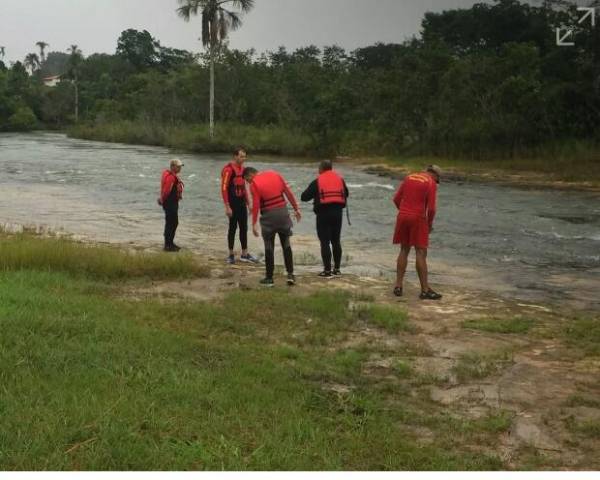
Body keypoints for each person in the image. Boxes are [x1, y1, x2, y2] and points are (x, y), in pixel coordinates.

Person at [243, 167, 302, 287]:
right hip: (283, 214)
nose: (248, 183)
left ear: (250, 175)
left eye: (247, 180)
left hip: (268, 218)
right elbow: (288, 193)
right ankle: (290, 275)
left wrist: (254, 224)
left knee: (269, 246)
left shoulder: (254, 184)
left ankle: (269, 278)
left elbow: (256, 206)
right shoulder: (275, 174)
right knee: (286, 244)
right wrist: (296, 209)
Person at [392, 165, 442, 300]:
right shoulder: (431, 183)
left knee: (404, 249)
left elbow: (396, 199)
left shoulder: (409, 177)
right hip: (418, 218)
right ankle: (425, 290)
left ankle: (398, 286)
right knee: (421, 252)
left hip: (403, 216)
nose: (437, 182)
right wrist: (429, 224)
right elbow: (431, 209)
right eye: (438, 179)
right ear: (435, 175)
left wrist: (404, 212)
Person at [301, 160, 349, 278]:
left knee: (325, 242)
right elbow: (346, 194)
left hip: (323, 214)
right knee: (336, 241)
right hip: (338, 213)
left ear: (321, 169)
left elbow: (304, 197)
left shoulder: (318, 181)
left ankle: (327, 271)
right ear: (331, 168)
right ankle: (337, 269)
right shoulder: (340, 180)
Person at [221, 147, 258, 264]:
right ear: (235, 156)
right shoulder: (228, 170)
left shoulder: (243, 170)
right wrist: (227, 206)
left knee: (244, 228)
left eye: (244, 156)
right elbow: (224, 188)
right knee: (232, 228)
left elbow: (244, 188)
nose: (243, 158)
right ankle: (231, 254)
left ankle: (245, 254)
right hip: (232, 203)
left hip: (241, 203)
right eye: (241, 156)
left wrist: (249, 204)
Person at [158, 158, 185, 252]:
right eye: (178, 167)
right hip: (170, 203)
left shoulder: (169, 174)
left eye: (180, 166)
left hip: (171, 202)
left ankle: (170, 243)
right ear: (172, 167)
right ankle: (168, 245)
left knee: (172, 223)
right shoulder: (171, 177)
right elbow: (166, 190)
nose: (180, 168)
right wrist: (162, 199)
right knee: (172, 223)